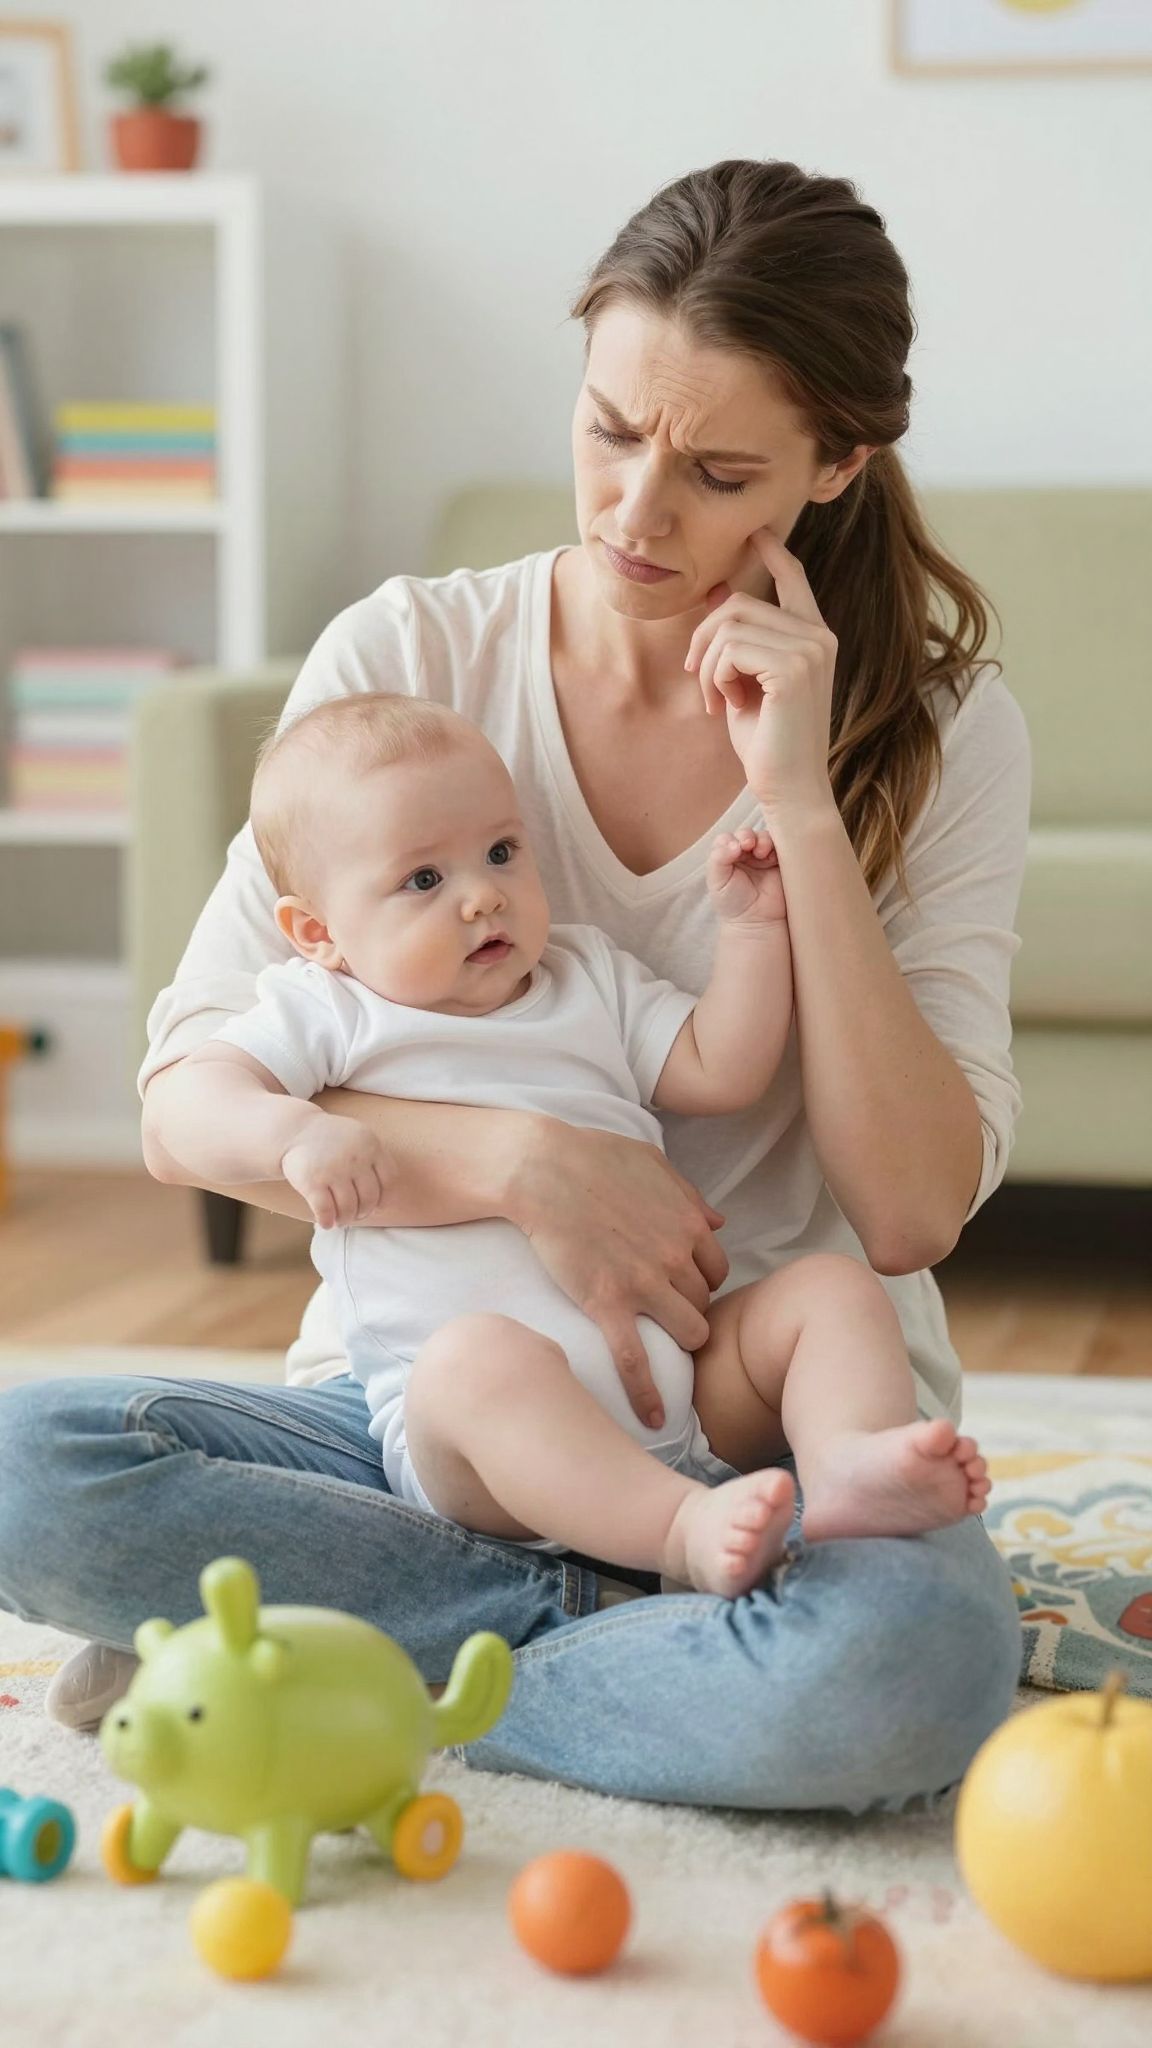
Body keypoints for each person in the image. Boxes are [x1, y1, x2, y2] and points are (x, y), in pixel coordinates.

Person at [0, 158, 1028, 1813]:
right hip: (434, 1426)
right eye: (608, 430)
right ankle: (624, 1638)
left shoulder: (945, 727)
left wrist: (798, 806)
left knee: (906, 1675)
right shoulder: (409, 662)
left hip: (757, 1425)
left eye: (716, 473)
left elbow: (905, 1212)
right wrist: (522, 1163)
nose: (634, 513)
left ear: (837, 464)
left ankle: (358, 1649)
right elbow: (184, 1105)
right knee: (28, 1470)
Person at [149, 691, 991, 1598]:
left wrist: (751, 931)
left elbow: (720, 1069)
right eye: (424, 880)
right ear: (318, 933)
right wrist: (291, 1132)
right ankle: (678, 1535)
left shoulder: (584, 975)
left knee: (833, 1290)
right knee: (475, 1361)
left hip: (681, 1395)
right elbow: (190, 1100)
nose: (483, 895)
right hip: (478, 1447)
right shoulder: (328, 1010)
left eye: (501, 852)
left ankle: (846, 1469)